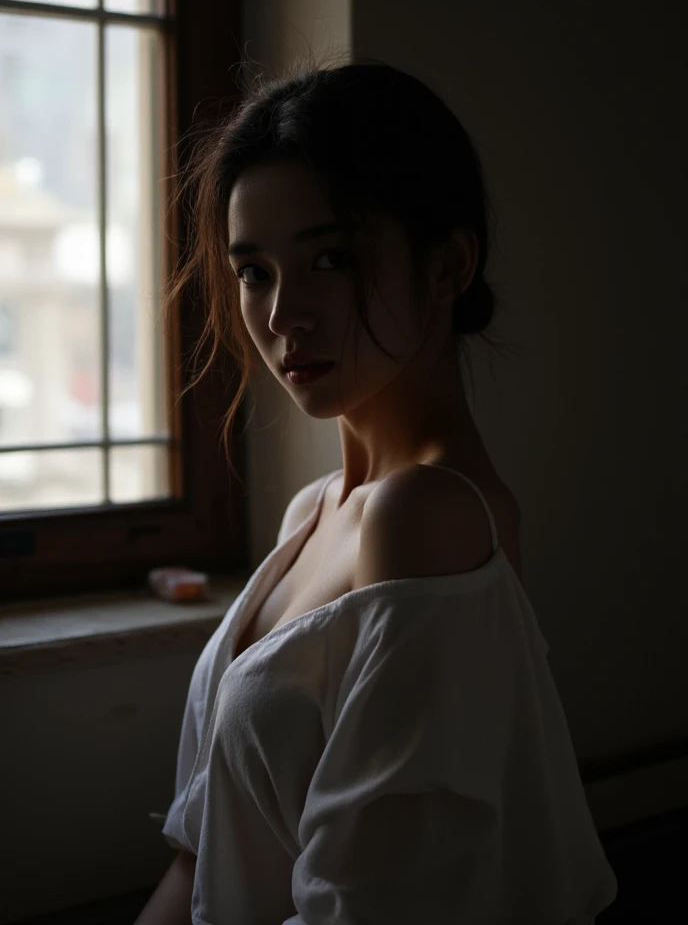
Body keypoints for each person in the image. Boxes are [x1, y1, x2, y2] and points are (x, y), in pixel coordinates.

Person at [135, 54, 617, 924]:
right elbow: (199, 856)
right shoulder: (314, 512)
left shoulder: (425, 519)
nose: (283, 315)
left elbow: (371, 903)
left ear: (447, 267)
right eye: (254, 272)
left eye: (329, 259)